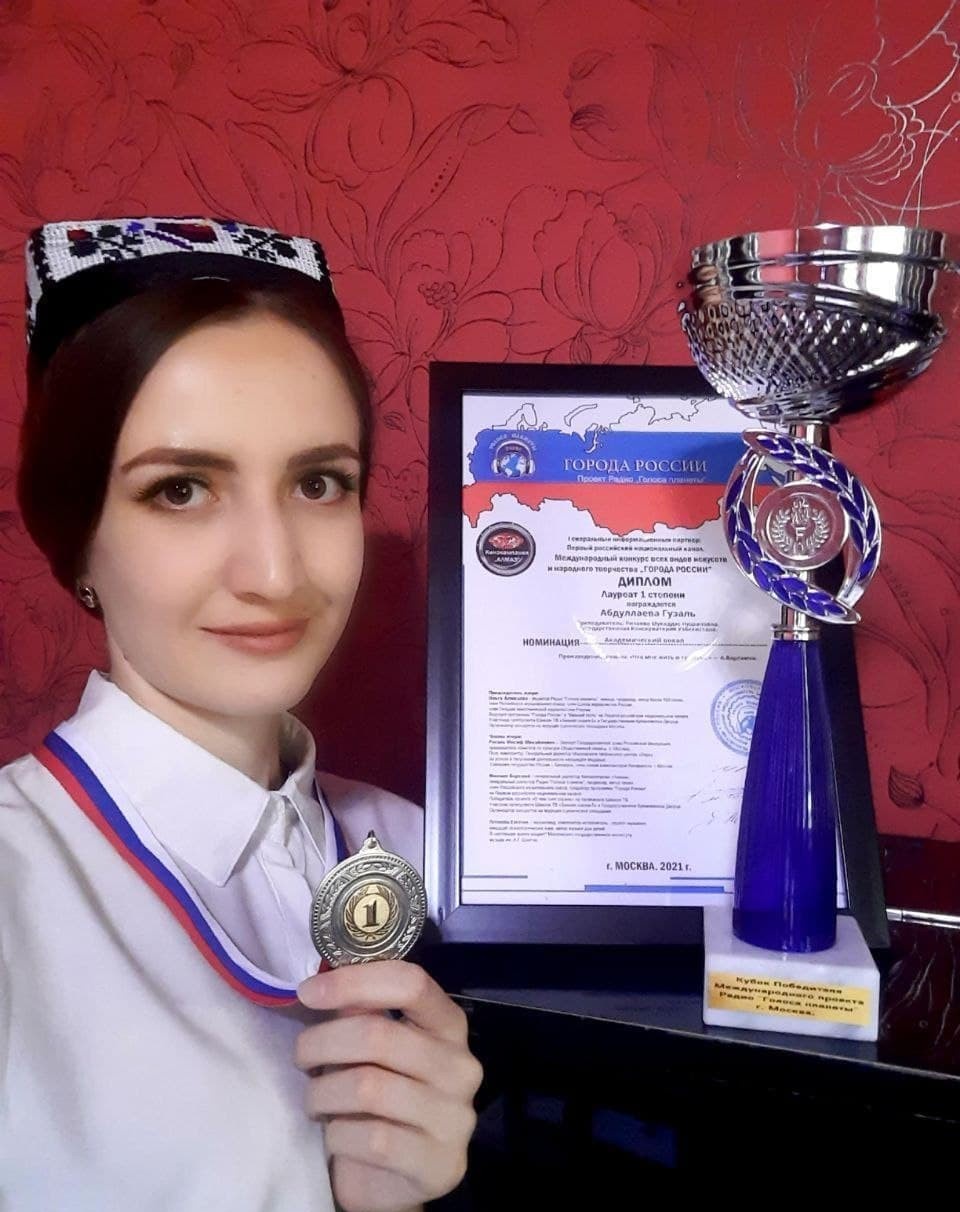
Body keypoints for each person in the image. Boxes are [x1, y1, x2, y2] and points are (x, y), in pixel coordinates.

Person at [0, 217, 483, 1212]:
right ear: (76, 537)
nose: (274, 572)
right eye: (181, 489)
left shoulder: (436, 856)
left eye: (318, 483)